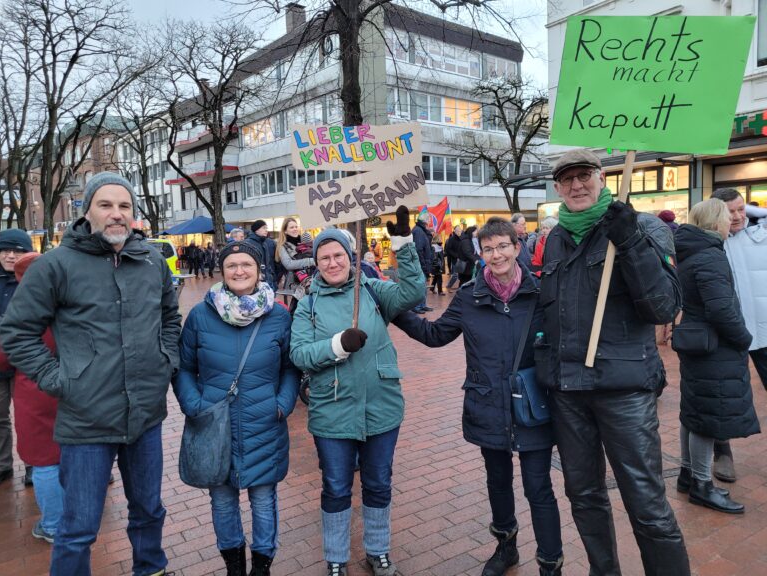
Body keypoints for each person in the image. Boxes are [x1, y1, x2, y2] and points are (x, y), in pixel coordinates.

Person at [0, 172, 181, 576]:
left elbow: (170, 316)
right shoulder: (56, 265)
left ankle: (150, 568)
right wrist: (58, 379)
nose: (117, 214)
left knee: (149, 510)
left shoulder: (151, 259)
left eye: (125, 206)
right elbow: (16, 331)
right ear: (87, 210)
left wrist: (165, 359)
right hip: (85, 420)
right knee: (79, 526)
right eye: (106, 204)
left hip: (146, 415)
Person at [540, 149, 690, 575]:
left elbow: (663, 307)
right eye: (566, 179)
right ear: (557, 188)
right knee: (584, 496)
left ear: (602, 177)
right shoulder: (554, 238)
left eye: (584, 175)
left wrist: (628, 243)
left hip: (623, 390)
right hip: (568, 392)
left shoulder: (641, 227)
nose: (576, 185)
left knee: (646, 501)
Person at [393, 217, 563, 576]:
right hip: (487, 403)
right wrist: (395, 311)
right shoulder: (470, 297)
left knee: (539, 488)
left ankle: (550, 563)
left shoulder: (543, 292)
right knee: (497, 481)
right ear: (480, 254)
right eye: (488, 249)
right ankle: (506, 547)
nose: (496, 254)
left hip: (533, 405)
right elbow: (436, 334)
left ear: (518, 248)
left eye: (503, 246)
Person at [289, 207, 424, 576]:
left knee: (379, 482)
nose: (333, 263)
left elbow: (414, 292)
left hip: (382, 406)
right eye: (324, 257)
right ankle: (336, 557)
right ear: (316, 263)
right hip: (332, 413)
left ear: (350, 257)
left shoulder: (373, 291)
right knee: (335, 487)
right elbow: (299, 353)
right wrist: (337, 345)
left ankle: (377, 551)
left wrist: (403, 245)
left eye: (338, 255)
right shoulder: (308, 305)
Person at [174, 241, 299, 576]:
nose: (239, 271)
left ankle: (261, 566)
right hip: (214, 424)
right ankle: (233, 565)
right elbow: (184, 368)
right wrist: (194, 405)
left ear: (259, 270)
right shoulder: (202, 314)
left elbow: (290, 368)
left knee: (263, 500)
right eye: (232, 265)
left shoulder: (277, 315)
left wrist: (282, 404)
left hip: (264, 422)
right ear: (223, 270)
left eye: (246, 264)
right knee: (223, 500)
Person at [673, 199, 759, 514]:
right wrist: (744, 338)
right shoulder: (710, 256)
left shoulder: (691, 252)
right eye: (727, 218)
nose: (731, 223)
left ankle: (686, 474)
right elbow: (721, 309)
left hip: (698, 344)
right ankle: (701, 485)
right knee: (707, 417)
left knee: (693, 412)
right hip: (714, 347)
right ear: (717, 222)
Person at [708, 188, 767, 483]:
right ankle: (723, 453)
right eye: (729, 211)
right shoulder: (709, 243)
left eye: (742, 209)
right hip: (728, 333)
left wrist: (760, 213)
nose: (737, 216)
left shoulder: (762, 235)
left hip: (765, 329)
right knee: (722, 395)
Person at [5, 253, 61, 542]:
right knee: (70, 457)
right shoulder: (66, 302)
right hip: (71, 390)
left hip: (34, 395)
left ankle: (52, 525)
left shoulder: (23, 308)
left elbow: (4, 356)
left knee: (45, 463)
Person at [0, 228, 33, 486]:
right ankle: (3, 465)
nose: (10, 256)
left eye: (17, 251)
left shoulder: (34, 279)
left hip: (26, 361)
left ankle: (35, 463)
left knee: (30, 416)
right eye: (5, 250)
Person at [275, 217, 315, 307]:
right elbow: (289, 264)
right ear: (285, 231)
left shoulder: (305, 242)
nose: (295, 229)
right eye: (291, 227)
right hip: (294, 282)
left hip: (311, 278)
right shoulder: (282, 246)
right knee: (299, 307)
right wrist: (310, 261)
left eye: (296, 226)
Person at [412, 213, 434, 313]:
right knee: (420, 286)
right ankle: (417, 307)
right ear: (425, 220)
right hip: (420, 264)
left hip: (422, 263)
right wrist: (424, 266)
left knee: (423, 285)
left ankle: (422, 305)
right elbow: (419, 250)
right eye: (429, 219)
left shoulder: (420, 230)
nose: (430, 221)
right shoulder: (418, 231)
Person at [247, 220, 277, 290]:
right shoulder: (249, 244)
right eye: (264, 228)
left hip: (268, 281)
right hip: (256, 282)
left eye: (266, 228)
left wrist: (272, 277)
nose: (266, 230)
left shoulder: (264, 243)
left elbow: (268, 264)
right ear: (256, 230)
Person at [444, 224, 462, 290]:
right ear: (454, 231)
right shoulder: (451, 239)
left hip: (462, 259)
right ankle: (449, 285)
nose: (459, 232)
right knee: (455, 275)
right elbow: (448, 249)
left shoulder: (462, 238)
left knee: (462, 274)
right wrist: (456, 256)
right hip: (455, 259)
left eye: (460, 230)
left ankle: (461, 286)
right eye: (457, 230)